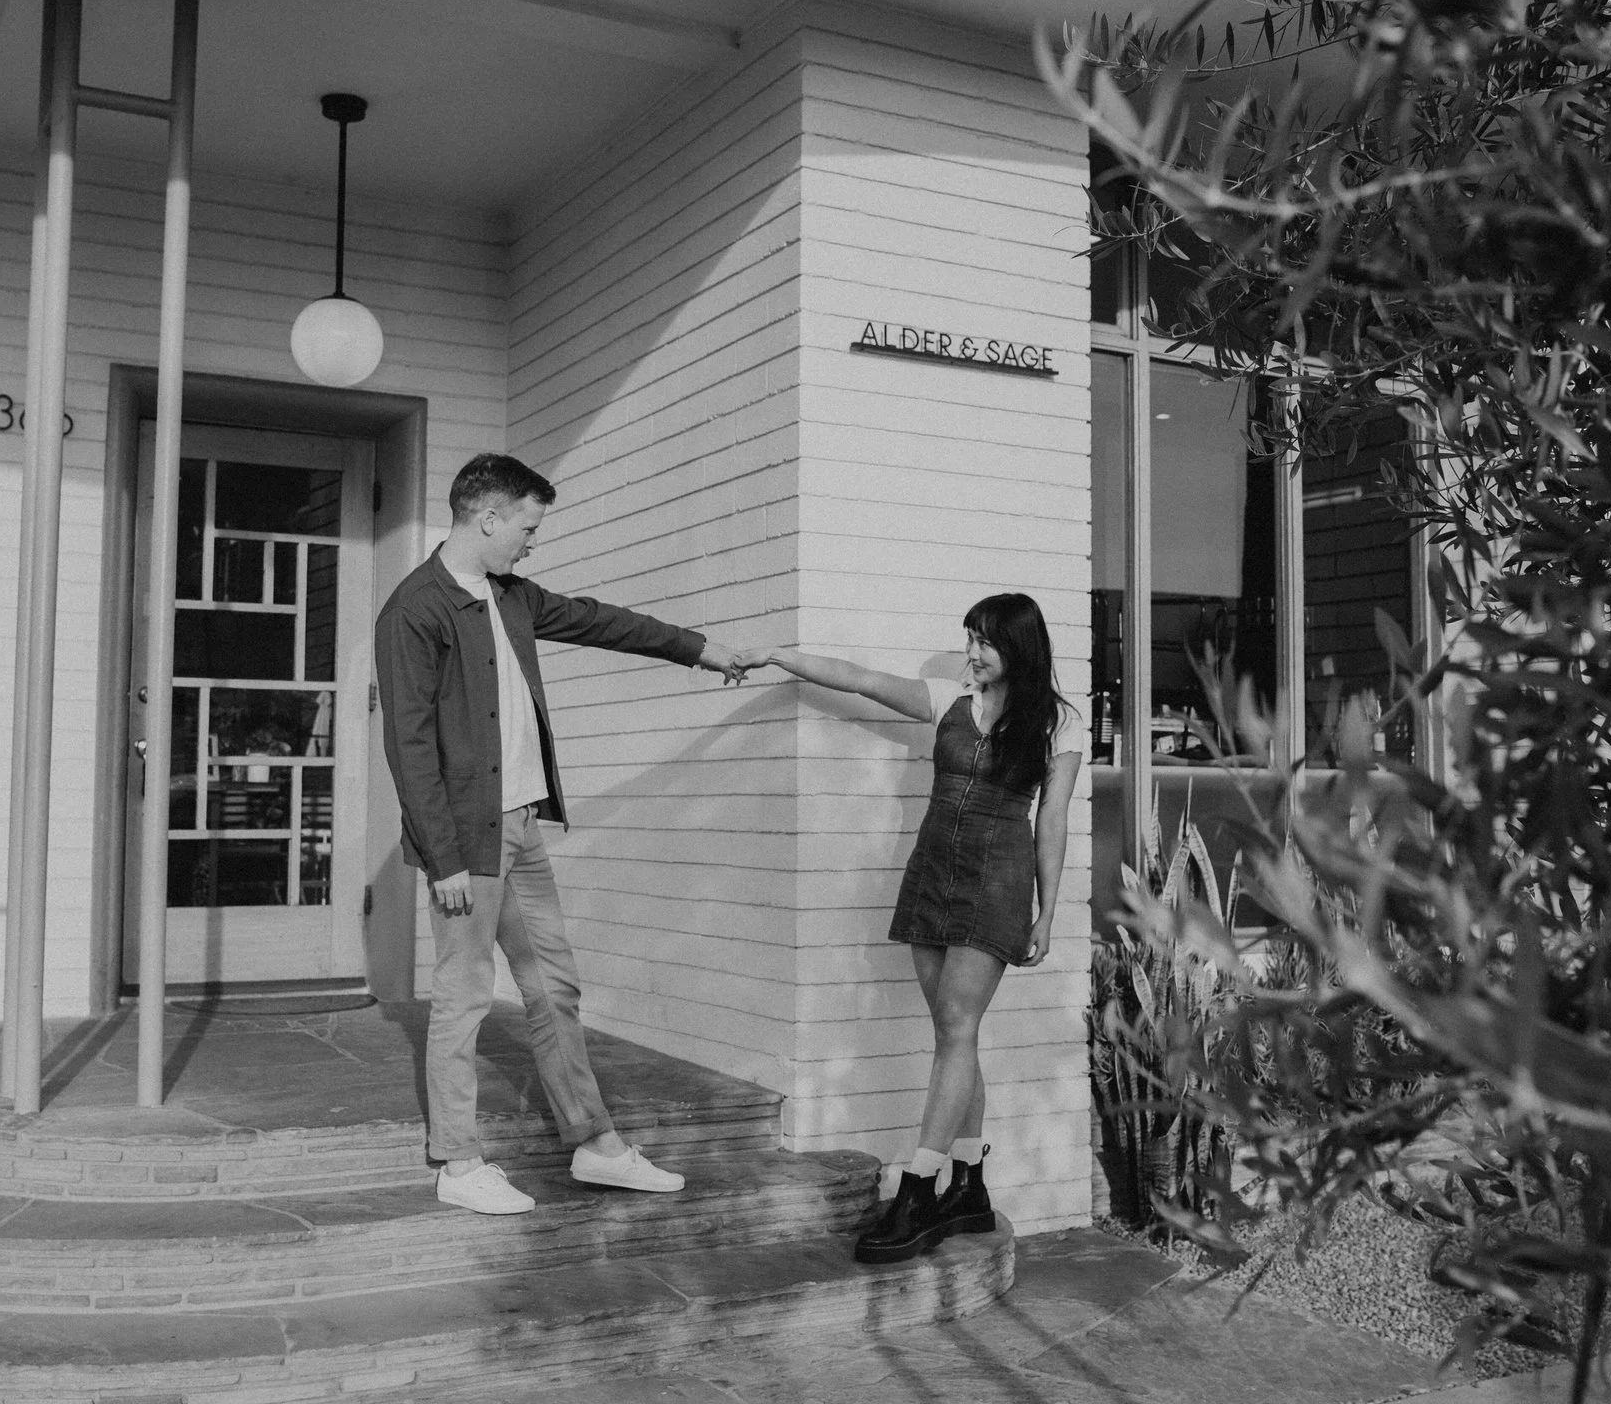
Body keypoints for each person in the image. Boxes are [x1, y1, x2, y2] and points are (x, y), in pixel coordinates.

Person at [375, 453, 758, 1215]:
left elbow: (598, 619)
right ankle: (456, 1161)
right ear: (487, 517)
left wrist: (697, 646)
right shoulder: (415, 609)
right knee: (463, 994)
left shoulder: (512, 596)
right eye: (527, 525)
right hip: (465, 842)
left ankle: (595, 1144)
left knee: (554, 985)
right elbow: (408, 745)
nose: (531, 541)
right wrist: (442, 858)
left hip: (520, 829)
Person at [754, 594, 1084, 1262]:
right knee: (953, 1033)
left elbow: (1051, 822)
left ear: (1017, 645)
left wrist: (1047, 911)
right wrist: (777, 656)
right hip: (934, 868)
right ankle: (968, 1181)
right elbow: (858, 678)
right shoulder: (949, 700)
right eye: (967, 640)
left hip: (998, 880)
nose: (971, 653)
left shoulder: (1060, 723)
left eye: (983, 642)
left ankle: (918, 1187)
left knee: (958, 1027)